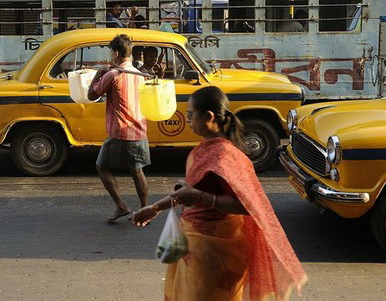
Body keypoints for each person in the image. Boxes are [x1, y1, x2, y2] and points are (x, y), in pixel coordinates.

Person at [132, 86, 307, 300]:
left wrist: (201, 198)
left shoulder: (225, 156)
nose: (187, 120)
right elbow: (191, 190)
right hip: (196, 247)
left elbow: (245, 205)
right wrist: (156, 207)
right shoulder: (204, 148)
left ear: (209, 116)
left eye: (190, 115)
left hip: (214, 255)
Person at [88, 34, 151, 222]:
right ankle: (145, 210)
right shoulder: (141, 75)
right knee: (137, 171)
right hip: (139, 129)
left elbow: (92, 95)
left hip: (120, 131)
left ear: (115, 53)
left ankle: (121, 206)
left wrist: (99, 73)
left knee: (102, 167)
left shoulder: (112, 75)